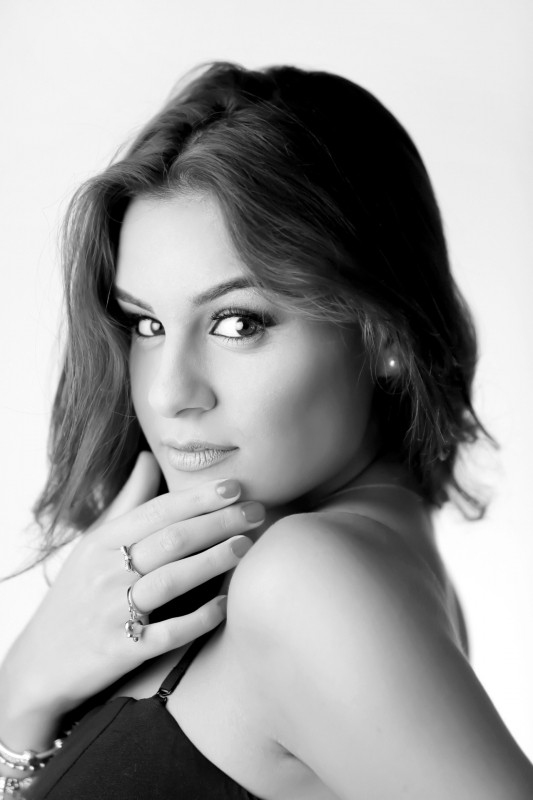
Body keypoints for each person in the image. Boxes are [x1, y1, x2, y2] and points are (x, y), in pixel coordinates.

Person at [0, 60, 531, 800]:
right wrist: (26, 695)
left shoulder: (306, 579)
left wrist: (22, 694)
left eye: (237, 323)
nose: (167, 393)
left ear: (382, 330)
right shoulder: (306, 563)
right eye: (146, 324)